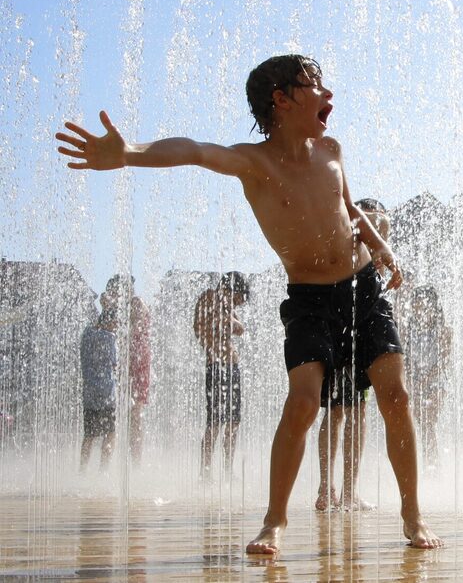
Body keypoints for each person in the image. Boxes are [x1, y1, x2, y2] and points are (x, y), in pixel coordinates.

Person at [57, 54, 441, 552]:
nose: (328, 95)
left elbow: (350, 210)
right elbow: (193, 150)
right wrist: (128, 151)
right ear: (281, 100)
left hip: (362, 286)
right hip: (309, 299)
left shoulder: (331, 149)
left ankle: (412, 514)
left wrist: (383, 247)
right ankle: (275, 520)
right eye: (314, 86)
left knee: (396, 397)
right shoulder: (253, 163)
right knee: (303, 404)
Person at [315, 198, 390, 512]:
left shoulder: (336, 234)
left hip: (331, 324)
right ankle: (346, 492)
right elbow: (379, 262)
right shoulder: (368, 225)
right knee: (354, 412)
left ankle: (326, 489)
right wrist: (379, 226)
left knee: (335, 411)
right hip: (354, 326)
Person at [193, 271, 249, 479]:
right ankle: (205, 471)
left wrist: (229, 318)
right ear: (230, 289)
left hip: (231, 367)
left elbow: (239, 328)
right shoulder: (209, 297)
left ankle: (227, 469)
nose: (238, 304)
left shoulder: (226, 306)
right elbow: (200, 328)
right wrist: (225, 319)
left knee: (234, 421)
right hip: (216, 366)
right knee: (215, 422)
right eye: (238, 299)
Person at [101, 274, 151, 466]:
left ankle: (136, 463)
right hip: (125, 364)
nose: (113, 295)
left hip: (137, 364)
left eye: (115, 291)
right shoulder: (123, 308)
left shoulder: (137, 303)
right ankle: (112, 463)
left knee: (135, 415)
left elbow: (134, 327)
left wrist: (111, 306)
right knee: (117, 413)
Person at [401, 285, 451, 470]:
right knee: (423, 424)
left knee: (428, 418)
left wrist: (426, 380)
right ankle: (430, 463)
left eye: (423, 305)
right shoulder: (408, 331)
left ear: (433, 307)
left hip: (436, 380)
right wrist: (412, 381)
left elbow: (443, 363)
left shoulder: (444, 331)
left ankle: (432, 463)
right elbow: (404, 360)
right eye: (416, 305)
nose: (419, 309)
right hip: (415, 379)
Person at [79, 307, 118, 472]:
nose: (116, 327)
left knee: (89, 435)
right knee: (110, 434)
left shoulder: (86, 336)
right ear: (110, 322)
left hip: (89, 394)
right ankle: (103, 471)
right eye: (115, 323)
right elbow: (115, 364)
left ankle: (82, 471)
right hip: (106, 394)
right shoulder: (110, 338)